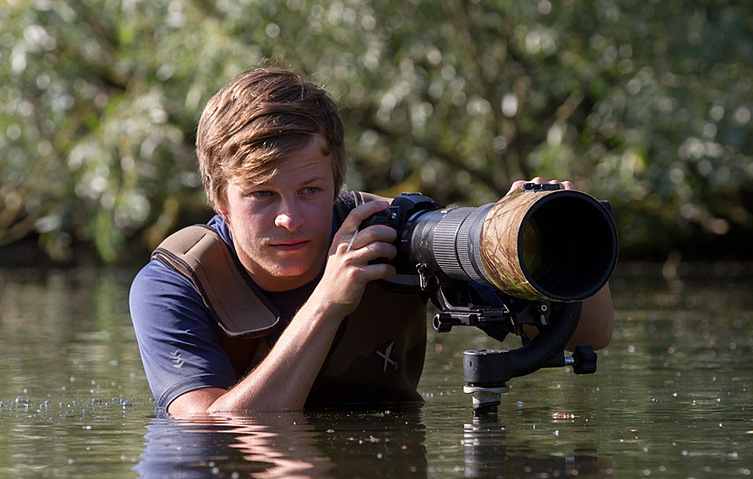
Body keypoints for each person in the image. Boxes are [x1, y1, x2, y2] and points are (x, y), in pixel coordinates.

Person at [129, 64, 613, 416]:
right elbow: (213, 429)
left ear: (337, 181)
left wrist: (541, 238)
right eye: (262, 195)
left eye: (311, 191)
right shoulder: (175, 283)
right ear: (219, 198)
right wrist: (327, 303)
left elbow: (591, 336)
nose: (289, 219)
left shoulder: (395, 235)